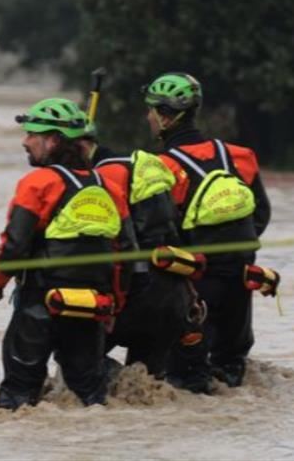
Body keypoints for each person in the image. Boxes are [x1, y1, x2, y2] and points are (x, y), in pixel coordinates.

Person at [0, 98, 136, 408]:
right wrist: (115, 304)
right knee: (88, 397)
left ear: (53, 140)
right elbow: (127, 253)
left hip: (38, 307)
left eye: (32, 135)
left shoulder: (37, 183)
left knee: (18, 398)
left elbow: (15, 246)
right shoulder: (109, 187)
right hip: (92, 308)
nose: (25, 142)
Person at [143, 72, 271, 388]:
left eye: (151, 110)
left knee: (185, 380)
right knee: (231, 372)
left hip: (195, 283)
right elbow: (261, 215)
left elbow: (158, 233)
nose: (148, 117)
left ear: (164, 116)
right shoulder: (241, 157)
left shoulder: (161, 167)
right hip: (241, 274)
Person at [74, 115, 209, 391]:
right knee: (145, 384)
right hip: (171, 298)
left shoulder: (98, 181)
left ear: (82, 148)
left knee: (77, 363)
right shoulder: (148, 168)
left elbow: (110, 245)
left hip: (131, 297)